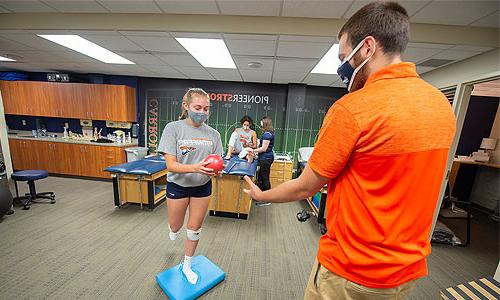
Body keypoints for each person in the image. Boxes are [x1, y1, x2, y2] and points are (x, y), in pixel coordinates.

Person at [243, 1, 456, 299]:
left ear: (367, 47)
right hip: (405, 271)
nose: (342, 66)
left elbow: (305, 187)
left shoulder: (352, 109)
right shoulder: (440, 105)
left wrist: (261, 195)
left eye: (344, 56)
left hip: (351, 271)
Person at [157, 88, 223, 285]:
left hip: (202, 187)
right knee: (176, 225)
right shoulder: (173, 128)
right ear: (186, 106)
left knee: (194, 228)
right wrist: (197, 167)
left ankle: (187, 265)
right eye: (197, 107)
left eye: (206, 108)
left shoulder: (214, 134)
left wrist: (217, 171)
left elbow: (217, 161)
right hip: (177, 185)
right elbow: (171, 165)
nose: (202, 112)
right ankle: (173, 228)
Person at [246, 116, 275, 207]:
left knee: (265, 177)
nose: (260, 124)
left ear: (265, 123)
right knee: (262, 177)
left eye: (261, 122)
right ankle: (263, 196)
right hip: (265, 158)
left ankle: (267, 199)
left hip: (266, 158)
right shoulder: (268, 133)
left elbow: (264, 148)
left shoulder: (267, 134)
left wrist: (252, 150)